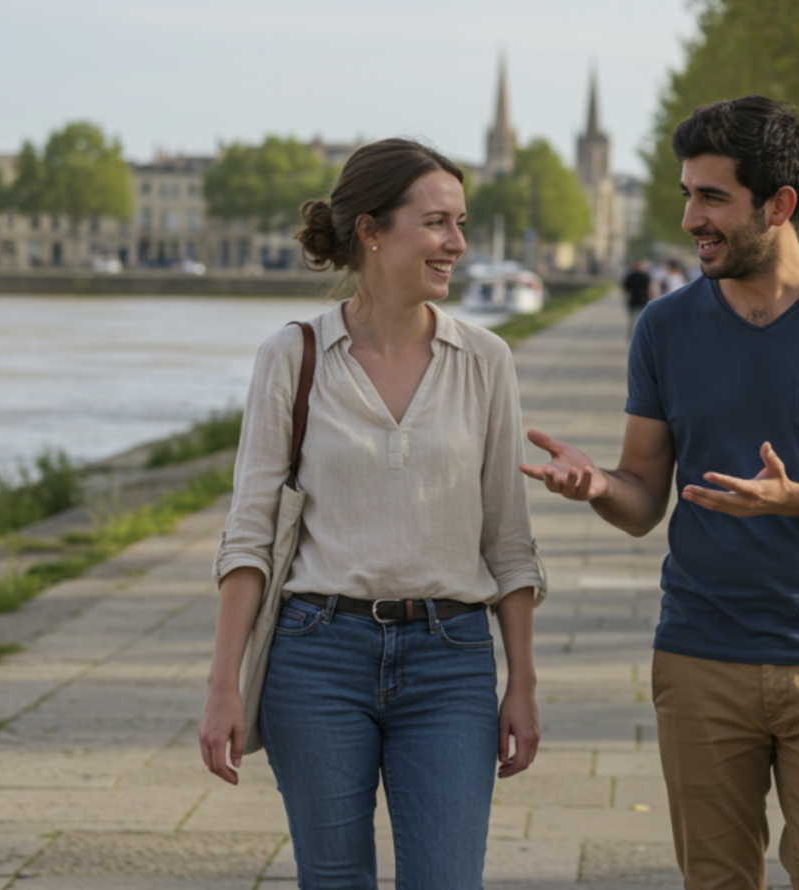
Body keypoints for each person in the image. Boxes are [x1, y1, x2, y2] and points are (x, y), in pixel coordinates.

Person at [520, 95, 799, 889]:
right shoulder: (666, 328)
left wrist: (795, 499)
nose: (690, 219)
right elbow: (645, 498)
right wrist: (600, 484)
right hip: (699, 654)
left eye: (713, 198)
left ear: (779, 205)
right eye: (686, 194)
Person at [200, 139, 545, 888]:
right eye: (436, 223)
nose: (457, 243)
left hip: (451, 660)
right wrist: (223, 683)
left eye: (460, 223)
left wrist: (522, 682)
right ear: (371, 230)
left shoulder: (486, 361)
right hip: (315, 656)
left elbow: (509, 541)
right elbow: (250, 535)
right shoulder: (292, 358)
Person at [622, 257, 656, 338]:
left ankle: (642, 340)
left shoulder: (646, 276)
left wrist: (652, 300)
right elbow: (625, 290)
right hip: (634, 302)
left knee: (645, 324)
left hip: (644, 302)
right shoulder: (630, 277)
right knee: (633, 323)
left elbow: (650, 289)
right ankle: (632, 341)